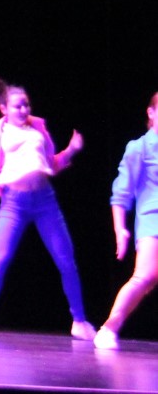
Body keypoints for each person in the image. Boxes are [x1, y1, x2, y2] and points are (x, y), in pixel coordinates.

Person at [0, 75, 92, 339]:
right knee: (0, 259)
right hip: (14, 203)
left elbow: (50, 163)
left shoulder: (38, 128)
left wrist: (71, 150)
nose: (24, 110)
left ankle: (79, 321)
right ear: (4, 108)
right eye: (18, 106)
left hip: (45, 200)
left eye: (26, 105)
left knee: (66, 259)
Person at [93, 92, 158, 349]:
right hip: (152, 219)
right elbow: (121, 193)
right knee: (146, 276)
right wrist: (120, 228)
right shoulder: (139, 148)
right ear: (151, 113)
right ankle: (109, 327)